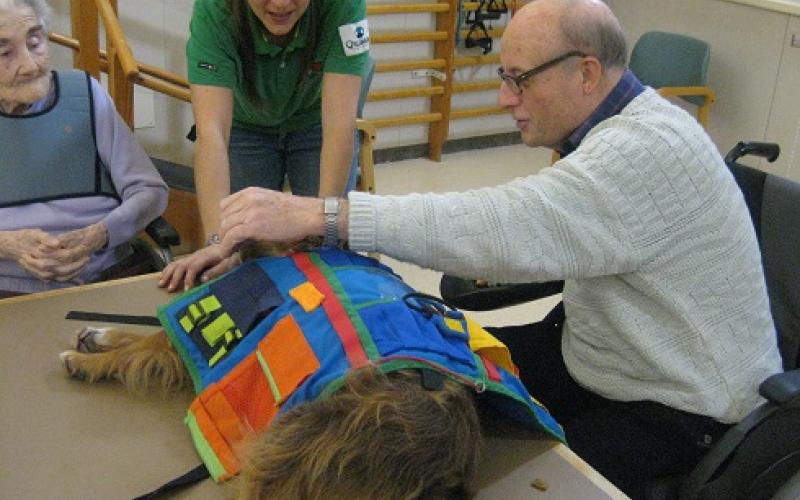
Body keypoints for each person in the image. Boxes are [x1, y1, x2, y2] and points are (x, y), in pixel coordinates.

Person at [160, 0, 784, 498]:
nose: (505, 98)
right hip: (602, 357)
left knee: (463, 472)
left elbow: (500, 227)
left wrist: (322, 215)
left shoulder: (645, 152)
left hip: (676, 407)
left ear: (586, 72)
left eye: (519, 80)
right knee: (419, 379)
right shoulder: (627, 128)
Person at [170, 0, 370, 279]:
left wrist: (325, 231)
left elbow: (339, 126)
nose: (280, 3)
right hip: (246, 125)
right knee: (240, 244)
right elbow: (212, 132)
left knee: (324, 246)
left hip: (315, 122)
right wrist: (218, 242)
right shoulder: (215, 8)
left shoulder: (344, 5)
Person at [0, 0, 168, 298]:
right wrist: (8, 245)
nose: (29, 65)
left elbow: (150, 190)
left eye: (35, 42)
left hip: (106, 275)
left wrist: (98, 235)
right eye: (4, 53)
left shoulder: (85, 95)